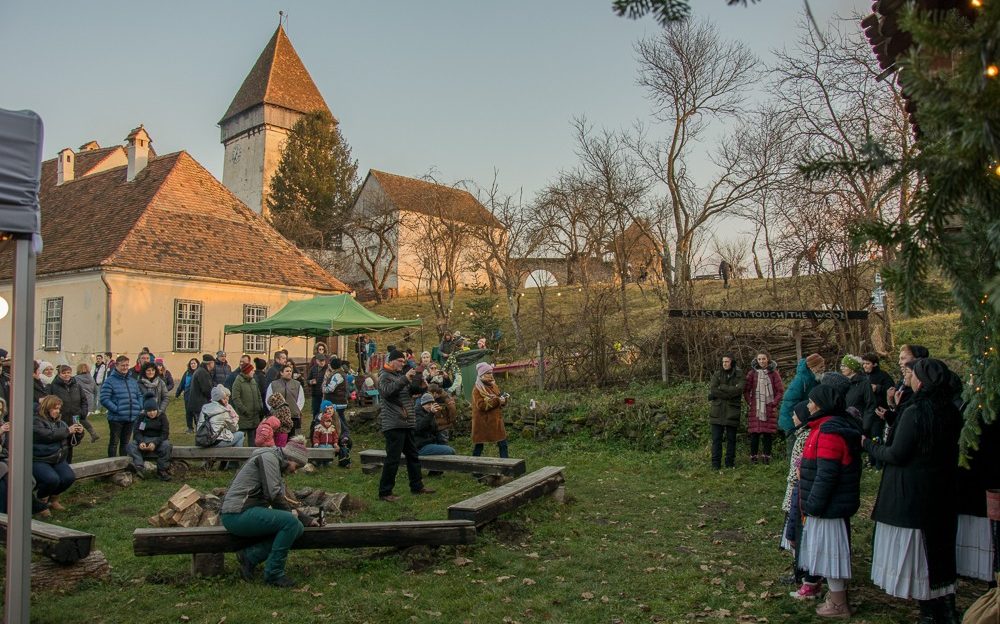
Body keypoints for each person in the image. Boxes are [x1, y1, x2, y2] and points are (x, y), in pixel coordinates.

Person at [865, 358, 963, 623]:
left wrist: (868, 445)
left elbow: (897, 453)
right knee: (939, 546)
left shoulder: (917, 411)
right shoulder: (951, 410)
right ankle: (947, 607)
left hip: (912, 490)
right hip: (942, 487)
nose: (909, 377)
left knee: (920, 553)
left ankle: (930, 613)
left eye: (914, 374)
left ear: (922, 381)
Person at [796, 385, 863, 618]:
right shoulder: (824, 427)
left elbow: (827, 474)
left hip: (828, 506)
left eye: (811, 401)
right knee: (828, 553)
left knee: (831, 554)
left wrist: (813, 504)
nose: (808, 405)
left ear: (820, 404)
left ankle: (838, 604)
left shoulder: (829, 432)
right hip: (826, 504)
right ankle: (836, 599)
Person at [221, 437, 312, 587]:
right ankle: (274, 574)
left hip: (246, 512)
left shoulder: (276, 463)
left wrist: (306, 520)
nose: (295, 472)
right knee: (291, 523)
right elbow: (273, 495)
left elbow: (281, 498)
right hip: (236, 514)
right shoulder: (268, 458)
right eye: (296, 466)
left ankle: (250, 557)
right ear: (290, 458)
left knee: (298, 527)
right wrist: (291, 515)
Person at [377, 349, 433, 502]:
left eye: (404, 361)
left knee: (413, 456)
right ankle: (385, 492)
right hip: (393, 423)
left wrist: (422, 385)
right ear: (391, 361)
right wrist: (405, 378)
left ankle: (417, 486)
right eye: (400, 361)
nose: (403, 364)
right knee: (393, 459)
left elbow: (409, 392)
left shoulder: (398, 375)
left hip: (406, 422)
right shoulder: (384, 376)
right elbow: (388, 392)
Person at [32, 395, 83, 515]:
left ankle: (53, 499)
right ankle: (41, 502)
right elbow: (47, 435)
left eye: (59, 408)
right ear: (46, 408)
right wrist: (67, 431)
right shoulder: (35, 421)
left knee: (68, 477)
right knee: (51, 479)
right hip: (39, 459)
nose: (57, 411)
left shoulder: (61, 423)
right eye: (55, 408)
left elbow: (71, 442)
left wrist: (78, 434)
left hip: (57, 458)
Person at [744, 352, 784, 465]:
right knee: (754, 434)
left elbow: (780, 391)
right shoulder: (752, 373)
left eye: (763, 359)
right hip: (756, 408)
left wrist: (773, 403)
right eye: (759, 359)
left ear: (768, 359)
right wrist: (750, 402)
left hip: (768, 407)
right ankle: (753, 457)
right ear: (756, 360)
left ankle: (767, 457)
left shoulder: (774, 373)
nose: (761, 361)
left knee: (767, 434)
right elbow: (746, 390)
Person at [779, 354, 825, 453]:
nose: (823, 369)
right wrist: (798, 418)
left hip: (803, 419)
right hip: (792, 420)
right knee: (794, 450)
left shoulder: (815, 379)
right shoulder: (801, 379)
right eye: (820, 366)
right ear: (812, 367)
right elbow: (789, 400)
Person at [100, 355, 143, 457]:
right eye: (123, 365)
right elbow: (104, 398)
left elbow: (139, 395)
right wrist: (116, 409)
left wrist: (139, 406)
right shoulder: (110, 381)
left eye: (127, 365)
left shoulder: (132, 381)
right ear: (117, 366)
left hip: (130, 417)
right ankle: (111, 463)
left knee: (125, 443)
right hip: (116, 418)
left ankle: (123, 462)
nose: (125, 367)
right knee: (114, 442)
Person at [708, 354, 743, 470]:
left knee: (731, 440)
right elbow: (713, 390)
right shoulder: (717, 374)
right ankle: (715, 464)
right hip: (717, 411)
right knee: (716, 440)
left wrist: (722, 387)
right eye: (723, 362)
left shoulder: (739, 374)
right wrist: (729, 393)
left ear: (732, 362)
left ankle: (729, 463)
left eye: (727, 361)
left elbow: (739, 390)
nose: (724, 364)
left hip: (732, 411)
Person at [125, 396, 173, 481]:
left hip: (158, 440)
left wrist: (155, 443)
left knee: (167, 446)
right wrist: (141, 442)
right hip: (144, 439)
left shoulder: (162, 416)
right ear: (145, 411)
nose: (152, 413)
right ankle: (139, 466)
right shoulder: (141, 417)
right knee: (131, 445)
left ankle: (162, 470)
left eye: (154, 410)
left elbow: (165, 433)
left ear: (157, 409)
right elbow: (137, 432)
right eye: (149, 411)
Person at [49, 364, 89, 462]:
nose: (67, 375)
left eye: (68, 372)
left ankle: (69, 463)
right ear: (59, 374)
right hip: (60, 419)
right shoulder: (53, 387)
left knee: (72, 442)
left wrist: (83, 413)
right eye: (64, 373)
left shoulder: (77, 386)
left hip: (75, 418)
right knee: (61, 442)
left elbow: (84, 400)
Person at [471, 362, 509, 459]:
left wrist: (503, 400)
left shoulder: (493, 385)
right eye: (488, 373)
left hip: (496, 420)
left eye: (491, 372)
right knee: (479, 446)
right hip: (482, 422)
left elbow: (498, 397)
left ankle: (506, 465)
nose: (491, 375)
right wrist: (498, 401)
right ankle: (474, 465)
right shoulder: (477, 389)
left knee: (503, 444)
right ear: (482, 375)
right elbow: (481, 405)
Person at [862, 352, 896, 449]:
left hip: (879, 412)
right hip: (867, 412)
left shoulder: (883, 375)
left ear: (875, 364)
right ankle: (869, 456)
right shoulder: (863, 377)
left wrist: (878, 388)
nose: (865, 366)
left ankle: (878, 455)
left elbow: (892, 390)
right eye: (863, 363)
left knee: (876, 436)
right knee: (867, 436)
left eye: (867, 363)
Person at [199, 385, 245, 450]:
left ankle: (231, 455)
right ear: (219, 399)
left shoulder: (205, 408)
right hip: (216, 442)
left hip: (203, 440)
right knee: (240, 434)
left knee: (230, 436)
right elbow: (234, 428)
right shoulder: (223, 411)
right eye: (224, 399)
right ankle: (237, 455)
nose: (226, 400)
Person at [839, 354, 877, 432]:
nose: (841, 368)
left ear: (852, 368)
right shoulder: (842, 382)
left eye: (844, 366)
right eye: (841, 365)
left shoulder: (864, 383)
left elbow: (870, 405)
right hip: (844, 425)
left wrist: (865, 426)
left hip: (859, 425)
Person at [231, 362, 264, 447]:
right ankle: (239, 454)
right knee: (241, 437)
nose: (253, 372)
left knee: (253, 438)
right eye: (252, 370)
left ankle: (251, 453)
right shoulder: (238, 382)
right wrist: (244, 410)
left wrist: (260, 406)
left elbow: (258, 395)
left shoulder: (253, 381)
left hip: (255, 415)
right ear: (247, 371)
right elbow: (235, 398)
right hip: (244, 416)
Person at [267, 364, 305, 436]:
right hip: (278, 416)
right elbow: (268, 399)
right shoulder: (273, 384)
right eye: (287, 371)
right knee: (280, 437)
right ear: (281, 373)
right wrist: (273, 411)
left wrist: (297, 410)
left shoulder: (297, 384)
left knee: (293, 437)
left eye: (290, 371)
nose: (289, 373)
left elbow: (301, 399)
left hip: (293, 416)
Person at [414, 393, 455, 458]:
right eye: (428, 404)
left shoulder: (429, 413)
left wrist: (443, 444)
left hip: (430, 443)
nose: (431, 406)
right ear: (423, 405)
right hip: (420, 447)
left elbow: (436, 431)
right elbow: (420, 427)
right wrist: (431, 414)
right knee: (450, 451)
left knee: (449, 449)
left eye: (432, 404)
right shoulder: (416, 413)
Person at [185, 354, 215, 432]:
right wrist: (212, 398)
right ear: (210, 363)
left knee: (201, 425)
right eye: (213, 363)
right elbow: (206, 389)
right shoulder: (202, 373)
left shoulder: (201, 371)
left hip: (198, 403)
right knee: (202, 426)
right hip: (200, 404)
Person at [73, 363, 101, 441]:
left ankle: (76, 436)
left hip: (80, 401)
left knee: (77, 418)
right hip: (89, 401)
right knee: (81, 418)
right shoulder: (91, 378)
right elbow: (95, 391)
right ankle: (93, 434)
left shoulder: (75, 379)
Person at [175, 358, 200, 433]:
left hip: (197, 396)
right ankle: (190, 428)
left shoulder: (200, 373)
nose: (193, 365)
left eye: (194, 363)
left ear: (197, 364)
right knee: (188, 412)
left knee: (196, 412)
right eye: (191, 363)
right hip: (187, 395)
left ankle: (198, 427)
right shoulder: (187, 373)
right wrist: (177, 393)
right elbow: (182, 384)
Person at [307, 353, 328, 424]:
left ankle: (325, 425)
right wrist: (310, 382)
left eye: (323, 360)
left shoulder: (328, 369)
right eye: (320, 361)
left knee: (325, 411)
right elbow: (308, 380)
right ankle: (315, 426)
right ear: (316, 361)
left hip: (325, 394)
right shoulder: (313, 369)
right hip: (315, 394)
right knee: (315, 411)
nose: (322, 362)